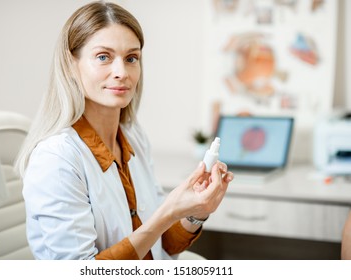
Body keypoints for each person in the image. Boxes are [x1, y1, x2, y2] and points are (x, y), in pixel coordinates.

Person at [15, 0, 233, 260]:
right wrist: (168, 211)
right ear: (71, 65)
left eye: (131, 58)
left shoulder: (133, 137)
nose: (121, 72)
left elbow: (163, 244)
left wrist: (196, 212)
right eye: (103, 57)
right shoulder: (56, 158)